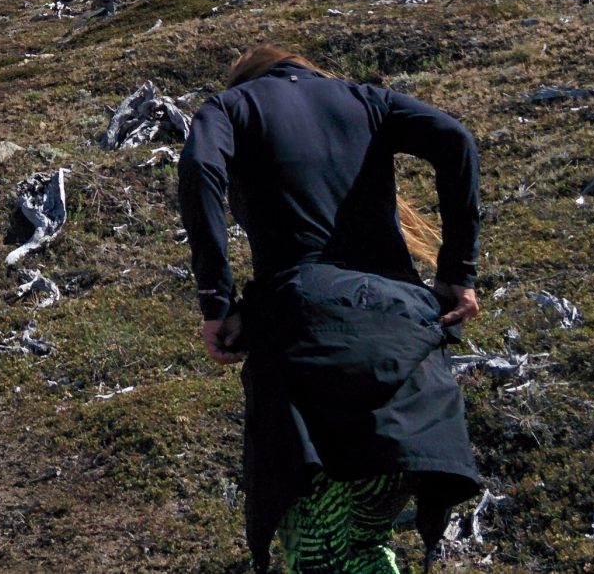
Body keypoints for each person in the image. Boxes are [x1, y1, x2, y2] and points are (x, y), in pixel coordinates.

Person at [177, 45, 482, 574]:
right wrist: (458, 272)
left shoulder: (231, 108)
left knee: (318, 555)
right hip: (408, 351)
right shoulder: (366, 102)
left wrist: (217, 299)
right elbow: (455, 139)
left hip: (307, 346)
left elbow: (201, 166)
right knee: (366, 546)